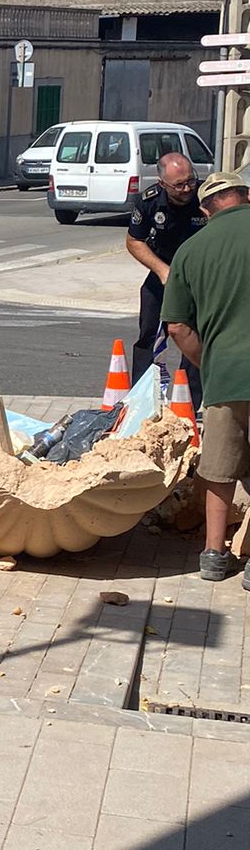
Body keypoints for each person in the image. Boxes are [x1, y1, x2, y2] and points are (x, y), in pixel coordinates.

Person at [160, 170, 250, 580]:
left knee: (219, 467)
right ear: (245, 196)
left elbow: (176, 327)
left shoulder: (190, 251)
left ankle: (214, 556)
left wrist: (208, 361)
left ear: (204, 210)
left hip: (224, 374)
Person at [126, 151, 202, 398]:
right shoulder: (148, 201)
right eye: (179, 185)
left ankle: (189, 399)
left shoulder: (206, 197)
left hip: (198, 277)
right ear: (162, 184)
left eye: (190, 180)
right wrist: (162, 271)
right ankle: (142, 397)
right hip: (163, 273)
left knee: (195, 335)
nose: (187, 188)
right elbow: (134, 241)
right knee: (149, 334)